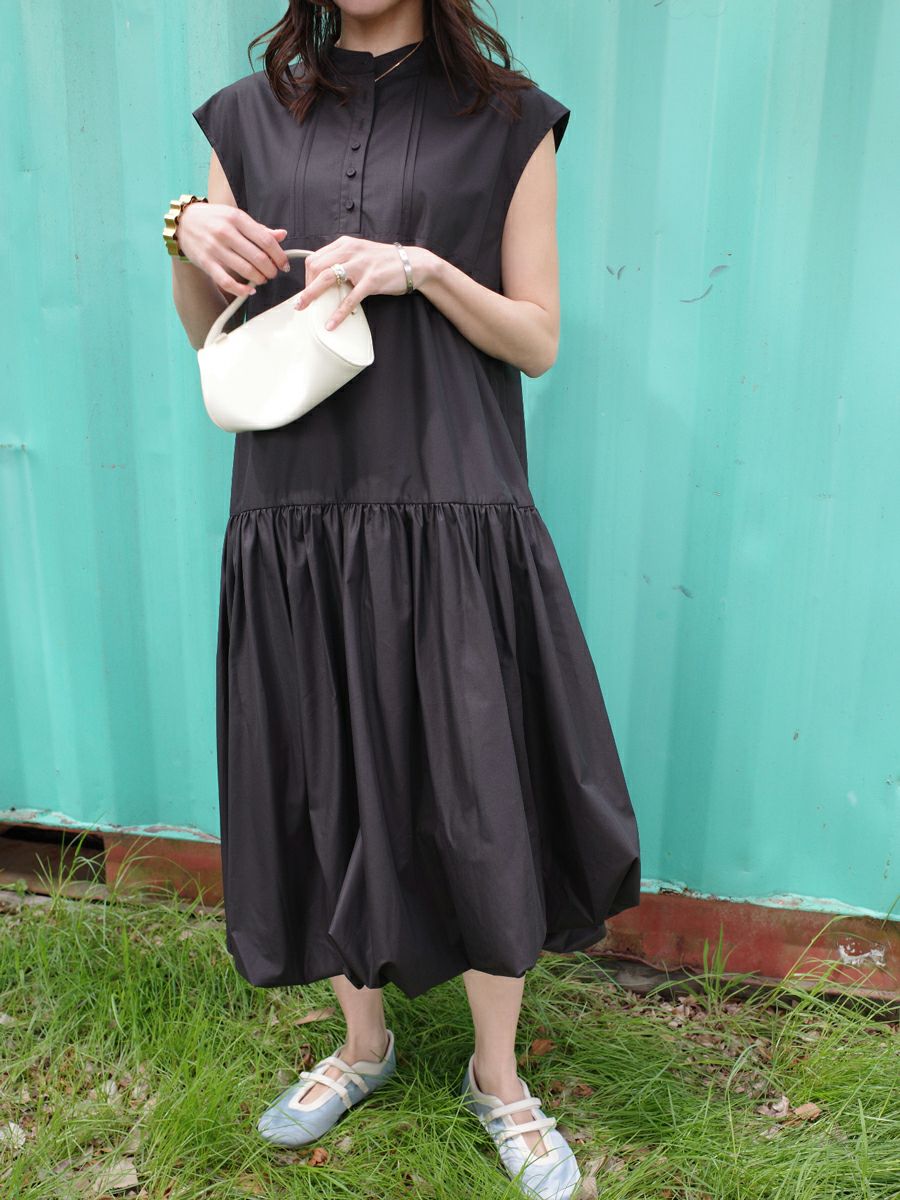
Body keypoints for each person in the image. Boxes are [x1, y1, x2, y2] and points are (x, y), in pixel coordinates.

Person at [168, 1, 641, 1196]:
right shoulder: (244, 120)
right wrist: (184, 238)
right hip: (298, 511)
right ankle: (362, 1044)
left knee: (480, 784)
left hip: (453, 502)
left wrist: (421, 268)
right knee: (327, 773)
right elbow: (213, 335)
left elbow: (536, 338)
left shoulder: (510, 120)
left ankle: (499, 1076)